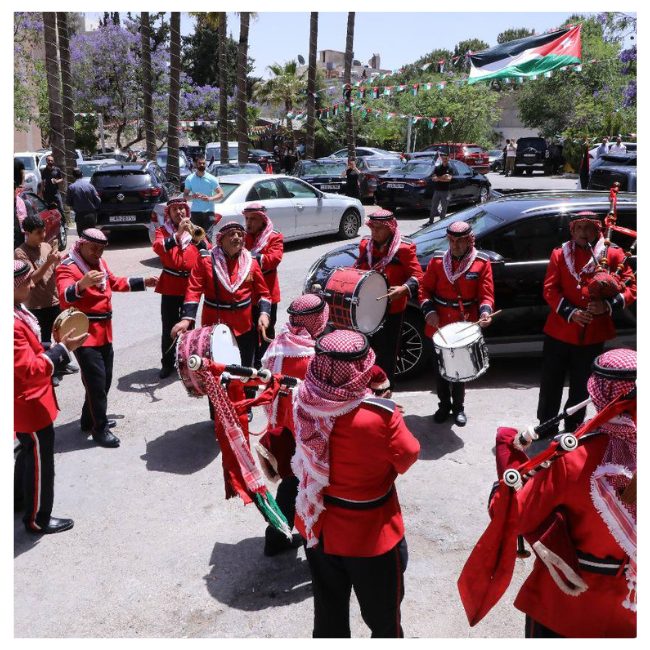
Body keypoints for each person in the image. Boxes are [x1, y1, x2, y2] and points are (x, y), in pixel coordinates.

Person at [292, 329, 420, 637]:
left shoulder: (302, 401)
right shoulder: (381, 416)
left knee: (329, 619)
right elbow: (408, 456)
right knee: (384, 621)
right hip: (369, 535)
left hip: (319, 526)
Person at [55, 228, 159, 448]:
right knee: (96, 383)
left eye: (101, 249)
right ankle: (99, 429)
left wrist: (144, 281)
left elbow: (114, 282)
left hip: (104, 332)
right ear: (81, 244)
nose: (97, 253)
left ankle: (89, 420)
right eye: (93, 248)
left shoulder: (99, 263)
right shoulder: (68, 266)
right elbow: (64, 296)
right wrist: (81, 285)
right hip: (83, 334)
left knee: (104, 381)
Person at [536, 212, 636, 436]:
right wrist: (571, 313)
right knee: (551, 381)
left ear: (598, 230)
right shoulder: (560, 254)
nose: (583, 233)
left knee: (582, 385)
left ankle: (573, 427)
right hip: (560, 331)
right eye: (579, 228)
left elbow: (632, 287)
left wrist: (606, 306)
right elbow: (550, 290)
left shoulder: (613, 254)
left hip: (592, 334)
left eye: (589, 228)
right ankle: (546, 426)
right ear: (572, 231)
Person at [14, 260, 89, 534]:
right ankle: (38, 518)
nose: (31, 285)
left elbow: (30, 348)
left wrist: (51, 345)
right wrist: (61, 351)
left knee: (27, 452)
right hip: (29, 404)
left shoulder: (15, 311)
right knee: (40, 461)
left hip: (27, 402)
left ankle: (19, 499)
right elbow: (29, 369)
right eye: (26, 282)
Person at [258, 293, 330, 556]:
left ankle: (277, 535)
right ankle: (289, 537)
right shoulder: (311, 356)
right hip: (304, 434)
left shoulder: (280, 343)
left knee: (289, 484)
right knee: (300, 486)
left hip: (282, 427)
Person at [419, 221, 495, 426]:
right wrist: (429, 311)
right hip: (438, 323)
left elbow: (486, 295)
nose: (455, 245)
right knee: (440, 370)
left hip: (464, 324)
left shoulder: (481, 262)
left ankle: (459, 407)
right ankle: (443, 405)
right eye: (452, 241)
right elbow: (424, 290)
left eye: (460, 241)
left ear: (469, 240)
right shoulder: (437, 261)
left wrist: (485, 312)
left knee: (460, 370)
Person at [171, 221, 271, 370]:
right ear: (221, 239)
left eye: (240, 234)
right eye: (231, 234)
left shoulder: (251, 262)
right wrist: (186, 320)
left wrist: (264, 314)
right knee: (217, 372)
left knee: (246, 371)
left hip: (244, 328)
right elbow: (193, 290)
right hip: (214, 329)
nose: (237, 237)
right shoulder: (206, 261)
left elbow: (264, 293)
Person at [355, 209, 422, 388]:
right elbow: (359, 269)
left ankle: (386, 389)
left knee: (388, 352)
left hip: (392, 309)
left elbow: (418, 276)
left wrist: (404, 288)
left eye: (378, 228)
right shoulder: (365, 245)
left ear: (390, 229)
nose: (374, 232)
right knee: (366, 351)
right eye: (372, 227)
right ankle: (367, 389)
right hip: (367, 308)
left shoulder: (404, 248)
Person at [14, 214, 78, 386]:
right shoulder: (20, 252)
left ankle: (62, 363)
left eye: (43, 231)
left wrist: (57, 260)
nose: (43, 235)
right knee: (43, 341)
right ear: (27, 233)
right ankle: (50, 370)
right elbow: (31, 279)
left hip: (54, 299)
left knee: (60, 333)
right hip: (37, 304)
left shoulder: (46, 245)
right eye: (38, 233)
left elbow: (55, 269)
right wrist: (49, 262)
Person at [152, 197, 210, 379]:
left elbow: (208, 250)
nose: (179, 212)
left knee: (189, 327)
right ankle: (167, 363)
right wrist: (177, 234)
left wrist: (198, 241)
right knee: (168, 326)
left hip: (191, 287)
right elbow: (158, 248)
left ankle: (187, 362)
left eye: (182, 208)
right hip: (170, 285)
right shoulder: (163, 231)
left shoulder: (195, 229)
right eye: (175, 209)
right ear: (169, 214)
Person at [243, 203, 284, 367]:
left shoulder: (274, 237)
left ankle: (267, 362)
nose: (248, 223)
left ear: (263, 220)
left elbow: (274, 259)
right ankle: (253, 362)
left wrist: (249, 258)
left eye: (253, 219)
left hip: (268, 291)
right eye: (247, 219)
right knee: (250, 329)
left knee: (267, 329)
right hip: (248, 292)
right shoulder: (242, 236)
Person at [183, 155, 223, 238]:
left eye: (203, 163)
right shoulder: (190, 179)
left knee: (208, 237)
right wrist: (192, 196)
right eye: (200, 163)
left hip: (209, 212)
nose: (202, 165)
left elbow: (221, 194)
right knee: (195, 237)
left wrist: (209, 198)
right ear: (196, 164)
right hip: (195, 212)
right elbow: (185, 196)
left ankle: (207, 246)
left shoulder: (211, 178)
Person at [66, 167, 102, 236]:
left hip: (80, 216)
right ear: (82, 174)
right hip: (91, 215)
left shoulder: (71, 187)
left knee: (82, 237)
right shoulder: (90, 186)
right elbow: (98, 200)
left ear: (73, 176)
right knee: (92, 236)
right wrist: (95, 209)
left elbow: (68, 202)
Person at [427, 153, 452, 225]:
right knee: (433, 206)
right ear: (442, 159)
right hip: (437, 190)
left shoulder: (450, 168)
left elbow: (449, 179)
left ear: (448, 159)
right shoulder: (437, 168)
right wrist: (443, 177)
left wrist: (438, 178)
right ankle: (431, 221)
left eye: (446, 158)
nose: (445, 160)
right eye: (443, 158)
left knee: (444, 207)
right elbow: (433, 178)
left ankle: (442, 221)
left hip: (445, 191)